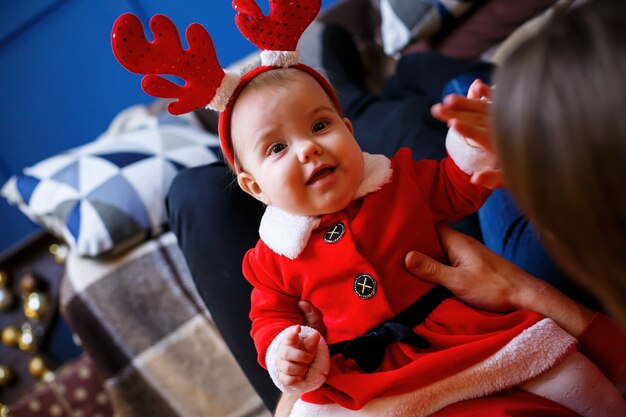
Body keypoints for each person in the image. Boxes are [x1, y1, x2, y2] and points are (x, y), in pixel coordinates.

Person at [164, 1, 624, 416]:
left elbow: (453, 184)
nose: (307, 150)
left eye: (321, 126)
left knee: (195, 191)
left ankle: (357, 89)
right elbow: (269, 317)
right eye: (277, 147)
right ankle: (382, 78)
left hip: (449, 340)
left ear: (344, 131)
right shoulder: (270, 261)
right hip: (374, 362)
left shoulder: (397, 180)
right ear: (253, 187)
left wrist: (289, 368)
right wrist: (285, 348)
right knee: (454, 95)